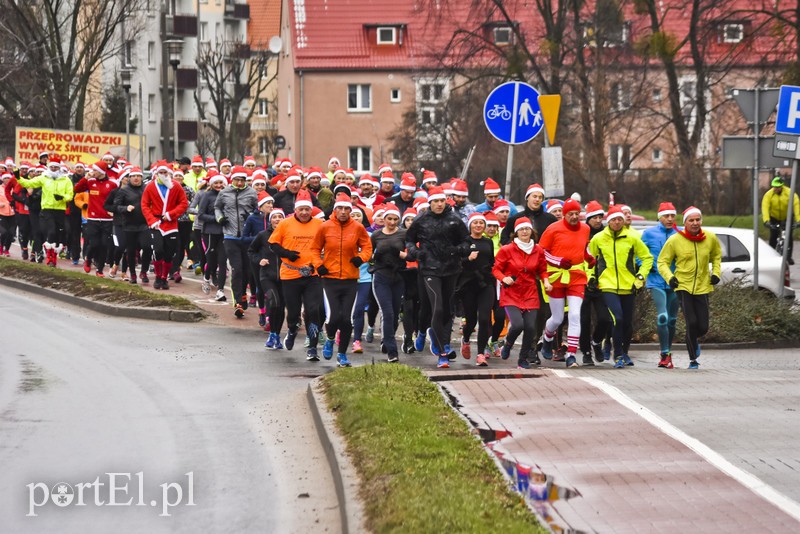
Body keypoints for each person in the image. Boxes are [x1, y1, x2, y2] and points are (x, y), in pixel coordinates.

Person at [406, 185, 471, 368]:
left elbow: (466, 241)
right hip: (429, 269)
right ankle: (442, 352)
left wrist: (458, 251)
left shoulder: (454, 220)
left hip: (451, 269)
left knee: (448, 310)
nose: (439, 204)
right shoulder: (421, 219)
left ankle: (438, 338)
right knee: (437, 307)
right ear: (430, 203)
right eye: (436, 201)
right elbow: (409, 239)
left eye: (442, 200)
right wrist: (416, 252)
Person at [311, 193, 372, 367]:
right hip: (329, 279)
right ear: (335, 209)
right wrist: (319, 265)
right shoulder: (325, 227)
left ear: (351, 210)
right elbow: (314, 249)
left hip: (350, 279)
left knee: (347, 319)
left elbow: (367, 247)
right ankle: (330, 338)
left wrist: (361, 258)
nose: (344, 212)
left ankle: (343, 354)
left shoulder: (358, 227)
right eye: (340, 208)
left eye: (347, 209)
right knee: (333, 318)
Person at [588, 206, 653, 368]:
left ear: (623, 221)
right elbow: (588, 259)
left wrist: (640, 277)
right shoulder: (598, 238)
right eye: (613, 220)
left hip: (628, 285)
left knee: (627, 323)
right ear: (608, 221)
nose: (617, 222)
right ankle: (617, 356)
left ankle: (624, 352)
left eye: (619, 219)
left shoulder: (632, 238)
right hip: (607, 285)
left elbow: (647, 258)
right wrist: (591, 276)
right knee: (617, 318)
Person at [657, 206, 722, 369]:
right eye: (691, 220)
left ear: (701, 221)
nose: (695, 223)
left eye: (697, 220)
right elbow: (662, 261)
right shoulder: (675, 240)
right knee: (691, 322)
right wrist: (670, 278)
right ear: (685, 222)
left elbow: (716, 256)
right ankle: (693, 359)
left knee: (703, 327)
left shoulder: (710, 238)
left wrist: (716, 273)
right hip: (683, 286)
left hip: (703, 286)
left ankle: (692, 339)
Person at [269, 189, 325, 360]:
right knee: (293, 312)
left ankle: (313, 347)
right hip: (290, 275)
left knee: (313, 310)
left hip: (312, 275)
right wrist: (286, 253)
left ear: (311, 209)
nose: (304, 212)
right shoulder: (285, 224)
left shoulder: (319, 224)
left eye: (307, 209)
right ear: (295, 209)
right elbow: (273, 244)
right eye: (301, 209)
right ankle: (292, 329)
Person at [539, 198, 594, 368]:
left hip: (576, 275)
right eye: (571, 214)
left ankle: (571, 354)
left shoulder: (585, 229)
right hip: (556, 276)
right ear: (564, 214)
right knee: (556, 318)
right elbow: (541, 252)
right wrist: (557, 261)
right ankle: (547, 338)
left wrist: (589, 257)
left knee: (575, 315)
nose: (574, 217)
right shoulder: (553, 229)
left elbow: (583, 248)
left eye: (577, 213)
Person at [493, 217, 552, 368]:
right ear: (516, 232)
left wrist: (546, 281)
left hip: (530, 292)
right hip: (511, 292)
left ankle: (522, 359)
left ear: (532, 231)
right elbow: (496, 269)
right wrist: (504, 278)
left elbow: (542, 269)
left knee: (531, 327)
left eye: (527, 229)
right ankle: (508, 344)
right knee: (518, 325)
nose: (524, 232)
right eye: (521, 229)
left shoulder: (538, 250)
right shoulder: (507, 249)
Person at [641, 202, 680, 368]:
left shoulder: (680, 234)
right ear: (660, 217)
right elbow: (640, 254)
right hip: (656, 281)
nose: (670, 219)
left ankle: (668, 352)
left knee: (672, 320)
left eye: (672, 216)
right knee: (662, 316)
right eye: (666, 216)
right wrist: (649, 267)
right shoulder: (649, 234)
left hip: (675, 282)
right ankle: (665, 353)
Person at [14, 155, 74, 266]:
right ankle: (49, 258)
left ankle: (53, 259)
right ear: (49, 167)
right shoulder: (44, 178)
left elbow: (70, 194)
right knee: (50, 232)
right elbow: (29, 183)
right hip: (47, 209)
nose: (54, 169)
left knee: (56, 235)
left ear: (59, 168)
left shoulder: (66, 180)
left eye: (56, 167)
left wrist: (62, 198)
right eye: (52, 167)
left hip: (60, 210)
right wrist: (18, 178)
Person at [215, 165, 258, 317]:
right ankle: (238, 301)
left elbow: (257, 210)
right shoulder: (224, 192)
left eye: (242, 180)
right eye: (237, 180)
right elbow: (217, 207)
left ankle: (243, 295)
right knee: (237, 268)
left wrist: (251, 216)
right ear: (232, 179)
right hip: (230, 236)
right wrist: (220, 218)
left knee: (247, 269)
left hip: (246, 237)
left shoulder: (252, 193)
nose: (240, 183)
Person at [141, 160, 189, 290]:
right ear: (156, 173)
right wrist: (151, 220)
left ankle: (164, 278)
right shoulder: (150, 186)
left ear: (169, 173)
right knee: (158, 250)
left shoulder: (176, 187)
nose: (163, 175)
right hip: (156, 223)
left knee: (169, 253)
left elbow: (184, 204)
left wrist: (171, 214)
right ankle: (157, 277)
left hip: (171, 224)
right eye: (160, 172)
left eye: (165, 172)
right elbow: (144, 205)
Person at [369, 204, 408, 362]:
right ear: (383, 219)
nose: (392, 222)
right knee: (387, 313)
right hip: (381, 276)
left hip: (398, 277)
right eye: (389, 219)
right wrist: (375, 257)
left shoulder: (404, 234)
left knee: (395, 314)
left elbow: (411, 255)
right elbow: (368, 255)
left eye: (395, 219)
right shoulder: (376, 235)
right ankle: (392, 351)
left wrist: (399, 254)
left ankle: (386, 339)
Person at [457, 212, 496, 366]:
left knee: (485, 319)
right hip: (468, 284)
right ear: (470, 225)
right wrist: (468, 259)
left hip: (486, 284)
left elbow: (491, 261)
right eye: (475, 223)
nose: (479, 225)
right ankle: (466, 339)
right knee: (471, 321)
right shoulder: (465, 242)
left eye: (481, 223)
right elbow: (456, 262)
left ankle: (480, 354)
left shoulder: (488, 242)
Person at [248, 208, 287, 349]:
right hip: (267, 276)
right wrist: (259, 260)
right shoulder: (262, 235)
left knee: (281, 307)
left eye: (280, 217)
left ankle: (276, 335)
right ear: (270, 220)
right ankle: (272, 333)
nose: (277, 219)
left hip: (285, 276)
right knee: (274, 302)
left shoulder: (288, 235)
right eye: (274, 217)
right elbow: (251, 251)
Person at [579, 200, 611, 364]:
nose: (598, 220)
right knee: (584, 321)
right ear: (588, 219)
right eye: (595, 217)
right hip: (582, 283)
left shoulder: (607, 234)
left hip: (602, 283)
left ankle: (596, 342)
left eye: (600, 217)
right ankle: (585, 352)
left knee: (605, 319)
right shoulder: (581, 233)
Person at [74, 160, 118, 276]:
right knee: (94, 244)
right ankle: (88, 259)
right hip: (93, 219)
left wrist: (114, 211)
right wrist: (85, 178)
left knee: (104, 245)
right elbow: (77, 189)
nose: (93, 172)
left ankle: (100, 269)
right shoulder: (90, 182)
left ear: (101, 172)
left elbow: (117, 200)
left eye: (95, 170)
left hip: (107, 220)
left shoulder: (112, 184)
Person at [113, 167, 151, 284]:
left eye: (138, 176)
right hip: (129, 225)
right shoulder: (123, 190)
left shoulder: (146, 189)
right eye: (133, 176)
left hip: (144, 224)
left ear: (141, 178)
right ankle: (133, 274)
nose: (136, 178)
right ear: (129, 178)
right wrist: (126, 208)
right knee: (131, 250)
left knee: (147, 247)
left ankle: (144, 271)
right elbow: (116, 206)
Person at [198, 174, 228, 300]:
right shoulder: (207, 195)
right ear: (211, 184)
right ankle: (206, 278)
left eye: (221, 182)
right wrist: (217, 219)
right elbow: (201, 215)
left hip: (225, 232)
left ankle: (220, 290)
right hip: (210, 232)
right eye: (216, 183)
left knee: (222, 261)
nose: (218, 185)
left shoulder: (228, 195)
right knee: (211, 260)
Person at [762, 176, 800, 264]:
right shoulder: (769, 195)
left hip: (787, 217)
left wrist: (798, 220)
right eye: (774, 187)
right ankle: (770, 256)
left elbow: (796, 206)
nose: (775, 189)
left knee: (789, 237)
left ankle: (789, 257)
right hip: (774, 217)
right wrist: (766, 221)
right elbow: (765, 208)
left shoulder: (790, 193)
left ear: (781, 186)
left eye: (777, 187)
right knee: (773, 236)